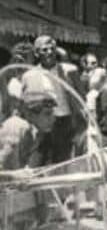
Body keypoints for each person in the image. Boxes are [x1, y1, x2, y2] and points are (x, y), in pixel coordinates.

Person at [32, 36, 80, 164]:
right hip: (43, 124)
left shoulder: (69, 71)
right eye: (45, 50)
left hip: (64, 122)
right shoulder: (31, 74)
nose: (49, 52)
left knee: (63, 162)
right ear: (37, 53)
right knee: (42, 162)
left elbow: (81, 98)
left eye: (52, 49)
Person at [0, 73, 57, 170]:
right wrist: (17, 176)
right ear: (31, 114)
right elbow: (4, 169)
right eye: (47, 114)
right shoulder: (18, 126)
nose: (53, 118)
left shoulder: (36, 133)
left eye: (52, 114)